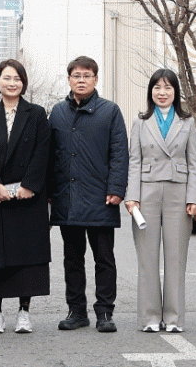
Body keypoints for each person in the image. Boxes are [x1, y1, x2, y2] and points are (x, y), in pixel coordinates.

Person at [47, 56, 129, 333]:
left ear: (95, 79)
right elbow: (50, 155)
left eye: (87, 75)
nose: (81, 80)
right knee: (72, 259)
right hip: (67, 197)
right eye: (76, 75)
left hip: (101, 199)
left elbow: (119, 153)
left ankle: (105, 312)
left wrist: (116, 189)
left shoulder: (110, 111)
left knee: (104, 259)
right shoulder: (58, 112)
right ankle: (76, 311)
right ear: (69, 79)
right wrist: (50, 191)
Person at [0, 59, 51, 334]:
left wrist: (30, 185)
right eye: (6, 78)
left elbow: (43, 151)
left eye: (17, 78)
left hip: (28, 198)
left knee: (27, 257)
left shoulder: (37, 113)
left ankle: (24, 312)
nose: (12, 83)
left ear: (23, 83)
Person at [124, 69, 196, 333]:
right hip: (147, 191)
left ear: (175, 92)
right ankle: (149, 318)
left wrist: (194, 197)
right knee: (147, 257)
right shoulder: (140, 121)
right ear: (151, 92)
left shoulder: (187, 122)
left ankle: (174, 318)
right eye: (157, 87)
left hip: (179, 191)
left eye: (168, 87)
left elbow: (194, 163)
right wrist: (132, 196)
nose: (162, 92)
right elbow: (134, 161)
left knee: (176, 257)